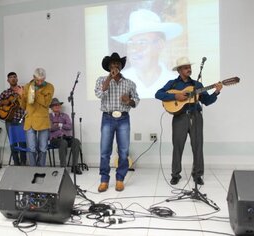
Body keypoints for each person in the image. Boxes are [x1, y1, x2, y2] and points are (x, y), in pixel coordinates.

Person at [155, 57, 222, 185]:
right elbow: (158, 94)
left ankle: (197, 174)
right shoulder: (173, 84)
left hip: (196, 116)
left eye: (189, 67)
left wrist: (216, 91)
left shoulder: (197, 85)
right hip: (180, 117)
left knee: (198, 146)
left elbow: (207, 102)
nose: (189, 69)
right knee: (177, 146)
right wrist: (175, 96)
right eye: (185, 67)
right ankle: (175, 174)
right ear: (179, 70)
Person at [112, 9, 182, 98]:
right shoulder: (118, 81)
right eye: (130, 43)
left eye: (142, 43)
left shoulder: (174, 82)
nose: (134, 49)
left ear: (160, 45)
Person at [94, 52, 140, 192]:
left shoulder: (129, 83)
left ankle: (120, 179)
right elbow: (99, 94)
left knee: (124, 151)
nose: (115, 66)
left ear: (121, 66)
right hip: (107, 118)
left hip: (123, 119)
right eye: (112, 64)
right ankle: (104, 180)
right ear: (108, 67)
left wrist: (129, 101)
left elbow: (136, 100)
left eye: (117, 64)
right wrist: (109, 77)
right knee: (104, 151)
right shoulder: (102, 80)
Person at [16, 68, 54, 166]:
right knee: (31, 148)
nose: (40, 82)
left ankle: (41, 169)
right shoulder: (27, 86)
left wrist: (34, 92)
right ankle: (33, 169)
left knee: (43, 147)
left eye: (42, 80)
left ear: (45, 78)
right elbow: (24, 106)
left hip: (43, 121)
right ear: (33, 77)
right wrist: (21, 96)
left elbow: (46, 103)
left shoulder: (49, 87)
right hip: (30, 121)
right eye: (37, 80)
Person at [0, 72, 27, 166]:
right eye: (11, 77)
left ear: (17, 79)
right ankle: (16, 163)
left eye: (14, 77)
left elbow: (28, 101)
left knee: (22, 142)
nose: (13, 79)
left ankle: (24, 163)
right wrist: (5, 101)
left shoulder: (22, 90)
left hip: (20, 119)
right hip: (9, 120)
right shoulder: (6, 92)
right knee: (13, 142)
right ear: (8, 80)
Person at [49, 98, 82, 175]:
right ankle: (63, 167)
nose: (57, 106)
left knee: (76, 141)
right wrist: (62, 125)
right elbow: (50, 128)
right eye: (55, 105)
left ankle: (75, 166)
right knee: (63, 143)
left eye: (58, 105)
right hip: (55, 139)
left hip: (66, 137)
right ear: (51, 108)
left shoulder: (65, 115)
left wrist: (59, 124)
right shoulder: (49, 116)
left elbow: (70, 126)